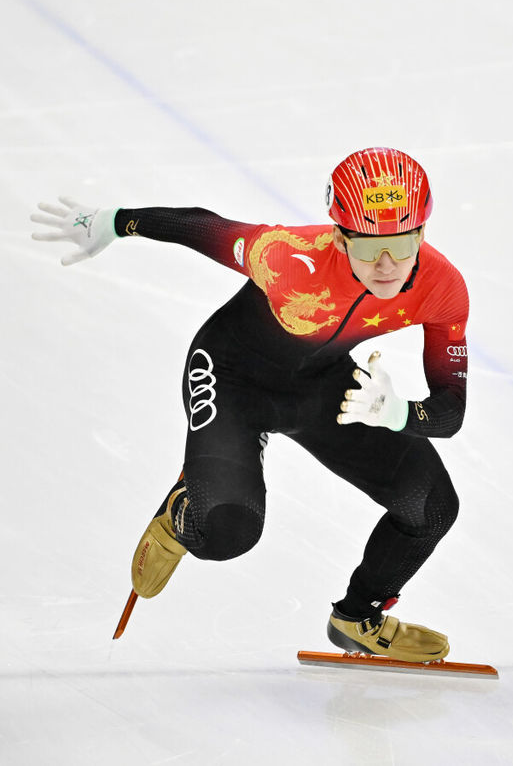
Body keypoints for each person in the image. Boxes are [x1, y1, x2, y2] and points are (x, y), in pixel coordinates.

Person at [31, 147, 469, 661]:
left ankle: (356, 616)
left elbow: (451, 407)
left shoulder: (442, 286)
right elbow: (203, 227)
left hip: (322, 387)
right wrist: (115, 221)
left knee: (432, 508)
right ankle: (184, 509)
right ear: (339, 236)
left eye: (402, 243)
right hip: (232, 376)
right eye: (369, 249)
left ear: (422, 235)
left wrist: (400, 414)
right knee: (226, 534)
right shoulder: (287, 256)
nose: (388, 265)